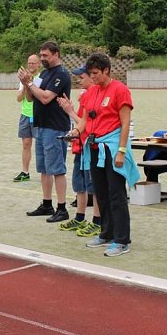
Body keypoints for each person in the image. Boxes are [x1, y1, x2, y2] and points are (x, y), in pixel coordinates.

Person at [64, 53, 138, 257]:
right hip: (95, 148)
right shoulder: (90, 92)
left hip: (113, 148)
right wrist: (75, 133)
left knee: (116, 194)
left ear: (106, 70)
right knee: (100, 193)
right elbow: (84, 122)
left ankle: (122, 239)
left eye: (96, 73)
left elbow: (125, 123)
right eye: (91, 73)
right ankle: (106, 233)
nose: (93, 77)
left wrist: (122, 151)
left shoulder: (120, 90)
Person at [17, 41, 72, 222]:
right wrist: (26, 84)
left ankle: (62, 208)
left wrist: (29, 82)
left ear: (56, 54)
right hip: (41, 126)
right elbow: (31, 97)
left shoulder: (61, 74)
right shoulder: (44, 74)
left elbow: (46, 98)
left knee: (57, 169)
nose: (42, 59)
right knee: (44, 169)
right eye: (41, 56)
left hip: (55, 127)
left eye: (45, 56)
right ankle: (47, 204)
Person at [57, 66, 101, 237]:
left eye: (82, 77)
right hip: (80, 147)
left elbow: (86, 125)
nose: (79, 81)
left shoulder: (94, 98)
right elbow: (81, 124)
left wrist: (69, 111)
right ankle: (80, 217)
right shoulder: (85, 97)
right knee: (80, 185)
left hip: (91, 148)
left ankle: (97, 221)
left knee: (94, 187)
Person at [14, 54, 41, 182]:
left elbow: (39, 96)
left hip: (38, 115)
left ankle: (45, 171)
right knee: (26, 144)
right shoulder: (23, 79)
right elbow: (19, 98)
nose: (31, 65)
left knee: (42, 144)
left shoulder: (41, 78)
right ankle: (25, 172)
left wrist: (30, 84)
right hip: (25, 115)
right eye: (29, 63)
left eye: (34, 63)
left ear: (39, 64)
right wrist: (25, 84)